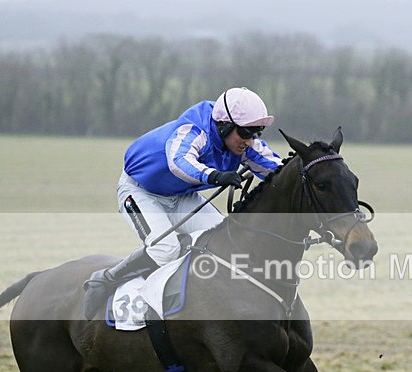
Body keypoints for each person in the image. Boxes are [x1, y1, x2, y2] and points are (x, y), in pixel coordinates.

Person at [83, 87, 283, 320]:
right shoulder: (194, 128)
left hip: (180, 196)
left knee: (225, 243)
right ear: (224, 125)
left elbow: (276, 169)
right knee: (165, 250)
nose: (249, 141)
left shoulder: (241, 141)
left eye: (255, 133)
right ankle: (107, 279)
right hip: (140, 191)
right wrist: (215, 176)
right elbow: (178, 161)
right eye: (245, 133)